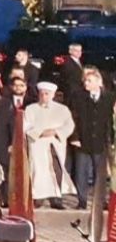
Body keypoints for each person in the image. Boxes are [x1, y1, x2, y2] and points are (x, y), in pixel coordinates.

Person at [27, 80, 76, 208]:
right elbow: (26, 126)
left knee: (57, 171)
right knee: (39, 171)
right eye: (42, 94)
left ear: (53, 95)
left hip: (55, 144)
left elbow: (69, 125)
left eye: (47, 94)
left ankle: (56, 199)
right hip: (38, 144)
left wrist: (56, 132)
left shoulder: (63, 109)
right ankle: (38, 198)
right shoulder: (31, 109)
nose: (44, 96)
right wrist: (40, 133)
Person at [69, 67, 112, 209]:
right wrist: (74, 137)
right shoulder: (78, 97)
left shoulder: (109, 98)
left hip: (100, 141)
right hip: (83, 140)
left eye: (89, 81)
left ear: (99, 82)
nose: (86, 83)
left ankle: (100, 200)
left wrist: (110, 140)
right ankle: (82, 200)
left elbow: (110, 121)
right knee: (82, 171)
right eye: (85, 81)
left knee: (100, 174)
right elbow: (73, 118)